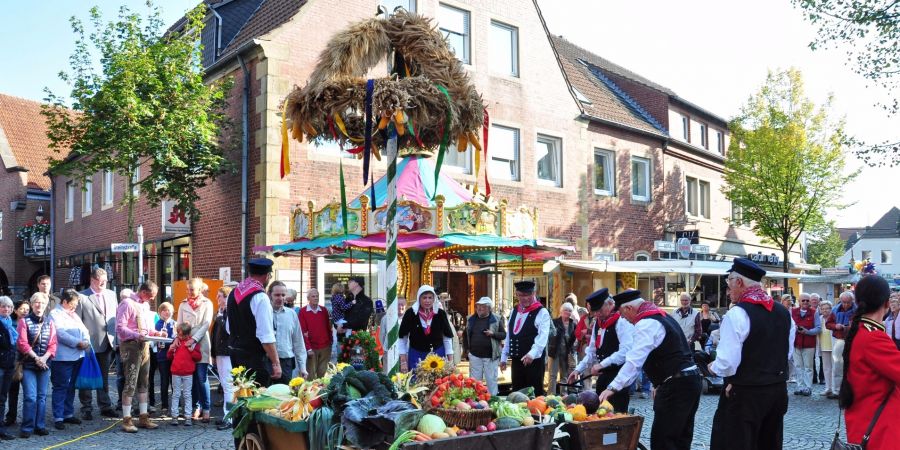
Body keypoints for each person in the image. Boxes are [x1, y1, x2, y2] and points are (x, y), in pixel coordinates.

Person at [708, 258, 794, 450]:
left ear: (739, 282)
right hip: (776, 390)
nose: (728, 289)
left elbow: (727, 363)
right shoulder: (783, 312)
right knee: (769, 443)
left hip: (746, 393)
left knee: (735, 443)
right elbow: (786, 353)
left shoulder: (737, 314)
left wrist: (713, 367)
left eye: (729, 282)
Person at [598, 290, 701, 450]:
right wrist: (657, 383)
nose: (625, 319)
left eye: (623, 315)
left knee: (663, 441)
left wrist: (613, 387)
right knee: (680, 439)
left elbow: (634, 361)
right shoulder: (662, 316)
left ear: (628, 309)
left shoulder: (646, 323)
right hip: (688, 381)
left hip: (677, 385)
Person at [838, 275, 900, 450]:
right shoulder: (874, 338)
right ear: (887, 303)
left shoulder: (860, 331)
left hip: (865, 421)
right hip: (880, 428)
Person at [570, 288, 635, 413]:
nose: (597, 314)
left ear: (610, 304)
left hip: (619, 376)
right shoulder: (598, 323)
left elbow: (625, 351)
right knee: (598, 413)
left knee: (617, 415)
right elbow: (592, 351)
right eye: (594, 311)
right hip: (603, 376)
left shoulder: (622, 321)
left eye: (599, 310)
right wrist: (578, 369)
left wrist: (601, 364)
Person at [116, 282, 163, 432]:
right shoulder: (127, 303)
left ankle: (143, 417)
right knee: (130, 382)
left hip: (144, 346)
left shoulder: (144, 306)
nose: (151, 299)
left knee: (144, 382)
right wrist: (137, 335)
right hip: (131, 346)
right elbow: (120, 328)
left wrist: (155, 333)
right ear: (143, 292)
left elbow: (146, 327)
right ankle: (127, 420)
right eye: (150, 296)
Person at [226, 258, 280, 387]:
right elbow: (266, 336)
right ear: (267, 276)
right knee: (258, 401)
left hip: (235, 354)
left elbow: (229, 328)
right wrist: (276, 363)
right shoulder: (260, 297)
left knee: (242, 397)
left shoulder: (233, 293)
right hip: (254, 358)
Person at [77, 267, 119, 420]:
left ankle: (105, 405)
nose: (103, 284)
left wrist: (117, 339)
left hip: (108, 341)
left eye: (105, 282)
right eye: (100, 282)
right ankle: (86, 407)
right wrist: (82, 341)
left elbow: (115, 317)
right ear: (92, 280)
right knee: (87, 375)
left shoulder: (111, 294)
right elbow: (78, 321)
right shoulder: (82, 297)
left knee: (104, 376)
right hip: (89, 343)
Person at [500, 281, 551, 397]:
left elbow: (542, 338)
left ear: (533, 293)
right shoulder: (514, 311)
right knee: (517, 394)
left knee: (533, 395)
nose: (523, 298)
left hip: (534, 362)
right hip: (517, 361)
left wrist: (531, 354)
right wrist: (504, 357)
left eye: (526, 295)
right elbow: (510, 336)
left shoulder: (542, 312)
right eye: (520, 295)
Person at [17, 292, 57, 438]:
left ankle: (39, 425)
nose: (39, 305)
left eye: (42, 303)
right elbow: (22, 343)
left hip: (44, 365)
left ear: (46, 305)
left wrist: (44, 358)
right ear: (32, 304)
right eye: (37, 302)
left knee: (42, 397)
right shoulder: (24, 322)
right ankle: (27, 427)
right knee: (30, 397)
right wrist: (36, 358)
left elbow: (53, 344)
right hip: (29, 365)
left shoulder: (50, 322)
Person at [48, 289, 89, 431]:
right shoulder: (54, 314)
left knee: (71, 386)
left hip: (77, 356)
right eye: (73, 303)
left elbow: (85, 330)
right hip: (63, 358)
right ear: (65, 302)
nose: (75, 306)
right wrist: (78, 342)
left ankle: (68, 413)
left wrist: (86, 340)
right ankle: (58, 416)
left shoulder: (73, 314)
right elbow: (59, 333)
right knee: (61, 386)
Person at [176, 278, 213, 423]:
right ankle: (195, 407)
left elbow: (206, 324)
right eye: (187, 289)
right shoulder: (183, 304)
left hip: (201, 342)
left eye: (191, 290)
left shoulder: (207, 303)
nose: (189, 292)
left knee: (201, 377)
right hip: (186, 344)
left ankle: (206, 408)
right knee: (190, 378)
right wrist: (179, 337)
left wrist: (194, 339)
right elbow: (178, 323)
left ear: (199, 290)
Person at [399, 285, 454, 371]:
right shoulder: (410, 314)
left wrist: (451, 361)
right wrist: (403, 362)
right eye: (424, 298)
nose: (427, 301)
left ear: (434, 299)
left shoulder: (440, 314)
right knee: (416, 383)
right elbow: (403, 338)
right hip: (416, 355)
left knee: (438, 382)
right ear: (419, 298)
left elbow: (447, 337)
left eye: (430, 298)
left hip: (437, 355)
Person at [269, 281, 308, 385]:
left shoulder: (291, 314)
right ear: (270, 295)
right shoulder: (264, 313)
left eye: (283, 295)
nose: (280, 298)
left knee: (285, 397)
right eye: (277, 295)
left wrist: (302, 367)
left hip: (286, 363)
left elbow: (298, 342)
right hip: (267, 362)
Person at [466, 297, 506, 396]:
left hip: (491, 356)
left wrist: (493, 334)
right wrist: (467, 350)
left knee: (491, 380)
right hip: (475, 355)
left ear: (489, 308)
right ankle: (475, 401)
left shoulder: (496, 319)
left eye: (482, 307)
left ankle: (492, 401)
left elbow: (504, 335)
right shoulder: (471, 319)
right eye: (478, 306)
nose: (479, 309)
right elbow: (466, 334)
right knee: (474, 381)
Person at [168, 322, 201, 427]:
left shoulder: (192, 343)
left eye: (181, 335)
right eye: (178, 334)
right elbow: (169, 357)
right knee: (176, 394)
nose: (179, 336)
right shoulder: (176, 341)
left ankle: (187, 416)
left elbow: (198, 357)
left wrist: (192, 351)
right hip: (176, 372)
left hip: (188, 373)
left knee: (187, 394)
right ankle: (174, 416)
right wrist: (170, 349)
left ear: (187, 335)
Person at [210, 286, 233, 430]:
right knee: (225, 385)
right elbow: (214, 335)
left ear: (227, 298)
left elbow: (229, 331)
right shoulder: (220, 312)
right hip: (220, 352)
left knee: (229, 385)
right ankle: (227, 415)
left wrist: (220, 319)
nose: (217, 299)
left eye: (220, 296)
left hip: (228, 353)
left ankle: (230, 417)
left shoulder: (229, 312)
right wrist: (213, 353)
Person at [826, 290, 856, 398]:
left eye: (848, 302)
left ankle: (851, 391)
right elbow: (828, 324)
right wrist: (835, 326)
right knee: (838, 365)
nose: (846, 304)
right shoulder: (835, 310)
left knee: (852, 366)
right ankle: (837, 391)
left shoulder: (857, 311)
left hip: (853, 341)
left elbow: (859, 326)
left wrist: (847, 327)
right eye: (844, 302)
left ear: (852, 301)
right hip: (839, 340)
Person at [5, 299, 29, 427]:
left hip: (28, 359)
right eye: (22, 309)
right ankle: (11, 416)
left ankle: (28, 416)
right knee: (13, 390)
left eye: (27, 309)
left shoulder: (30, 323)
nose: (25, 311)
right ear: (15, 310)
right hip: (14, 360)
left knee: (28, 391)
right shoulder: (11, 324)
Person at [791, 293, 820, 396]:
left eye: (807, 300)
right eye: (803, 300)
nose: (805, 302)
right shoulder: (793, 311)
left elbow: (818, 328)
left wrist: (807, 331)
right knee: (798, 366)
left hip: (809, 343)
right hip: (796, 343)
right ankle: (800, 386)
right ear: (799, 301)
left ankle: (808, 387)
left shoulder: (814, 312)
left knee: (808, 367)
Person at [300, 288, 333, 379]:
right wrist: (308, 348)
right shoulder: (303, 312)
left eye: (317, 296)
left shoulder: (324, 310)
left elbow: (328, 328)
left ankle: (321, 391)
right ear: (308, 298)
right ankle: (310, 392)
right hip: (312, 348)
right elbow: (303, 332)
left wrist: (330, 342)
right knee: (310, 374)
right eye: (313, 296)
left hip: (325, 346)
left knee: (323, 373)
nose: (316, 298)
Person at [548, 303, 577, 395]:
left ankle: (563, 395)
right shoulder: (555, 322)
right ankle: (551, 395)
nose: (567, 312)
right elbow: (550, 335)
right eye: (566, 310)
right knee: (553, 375)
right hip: (554, 350)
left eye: (570, 311)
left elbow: (575, 337)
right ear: (561, 311)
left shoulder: (573, 324)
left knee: (564, 375)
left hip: (566, 352)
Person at [0, 296, 17, 440]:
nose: (6, 309)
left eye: (9, 307)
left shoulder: (10, 324)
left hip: (9, 365)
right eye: (3, 306)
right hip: (0, 365)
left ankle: (1, 429)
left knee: (2, 398)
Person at [155, 302, 176, 416]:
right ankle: (164, 405)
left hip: (173, 356)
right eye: (164, 310)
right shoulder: (158, 324)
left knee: (174, 381)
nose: (166, 312)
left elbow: (175, 337)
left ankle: (176, 405)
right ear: (160, 312)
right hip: (162, 356)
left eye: (168, 310)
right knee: (164, 381)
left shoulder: (174, 323)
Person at [574, 301, 596, 391]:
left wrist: (587, 332)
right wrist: (585, 334)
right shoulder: (584, 318)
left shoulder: (599, 317)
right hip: (585, 346)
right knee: (586, 370)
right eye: (588, 304)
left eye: (591, 304)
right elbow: (578, 332)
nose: (589, 306)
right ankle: (588, 391)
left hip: (597, 346)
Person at [817, 300, 837, 398]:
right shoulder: (819, 318)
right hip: (824, 346)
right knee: (826, 368)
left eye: (827, 308)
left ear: (831, 309)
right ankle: (827, 388)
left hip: (834, 345)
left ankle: (834, 388)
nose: (825, 310)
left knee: (834, 368)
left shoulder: (834, 318)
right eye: (823, 308)